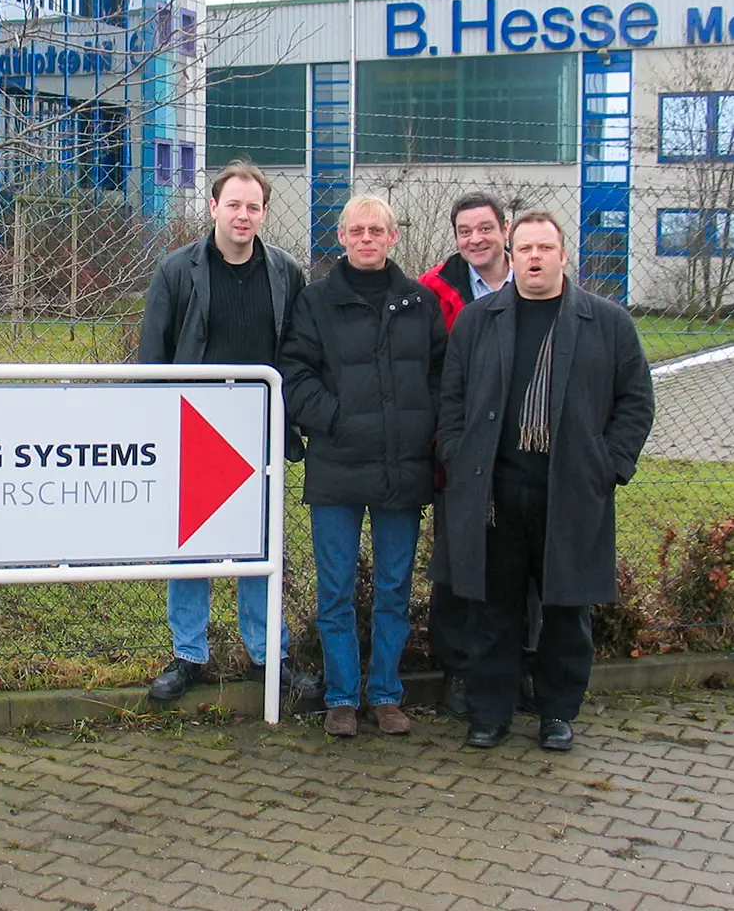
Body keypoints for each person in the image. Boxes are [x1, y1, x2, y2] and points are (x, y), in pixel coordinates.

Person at [437, 212, 653, 752]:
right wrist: (460, 458)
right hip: (496, 492)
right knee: (492, 611)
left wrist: (608, 467)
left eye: (545, 247)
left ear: (562, 254)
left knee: (565, 613)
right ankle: (490, 715)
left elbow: (635, 402)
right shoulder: (479, 320)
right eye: (525, 248)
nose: (535, 257)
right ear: (512, 254)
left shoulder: (606, 322)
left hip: (570, 491)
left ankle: (558, 714)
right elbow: (453, 402)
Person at [139, 160, 320, 703]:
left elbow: (299, 350)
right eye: (233, 204)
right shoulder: (177, 269)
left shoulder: (286, 272)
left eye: (253, 206)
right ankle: (188, 654)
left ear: (264, 213)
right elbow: (153, 354)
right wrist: (156, 424)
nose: (243, 215)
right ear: (213, 207)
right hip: (195, 429)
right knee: (192, 545)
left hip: (260, 432)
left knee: (260, 547)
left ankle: (269, 657)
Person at [280, 195, 447, 738]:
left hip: (402, 468)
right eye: (358, 230)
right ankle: (342, 698)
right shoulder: (316, 302)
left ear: (393, 236)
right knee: (336, 589)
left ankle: (387, 695)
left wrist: (422, 426)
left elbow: (444, 377)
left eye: (378, 230)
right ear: (343, 236)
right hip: (337, 466)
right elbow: (295, 372)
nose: (367, 238)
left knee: (395, 588)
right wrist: (336, 419)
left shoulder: (419, 303)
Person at [418, 192, 514, 719]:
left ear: (505, 230)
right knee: (456, 564)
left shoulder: (537, 282)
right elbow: (429, 375)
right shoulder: (435, 292)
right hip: (458, 452)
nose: (475, 239)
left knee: (517, 566)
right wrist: (447, 445)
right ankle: (457, 670)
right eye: (464, 230)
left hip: (524, 452)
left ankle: (514, 667)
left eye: (485, 228)